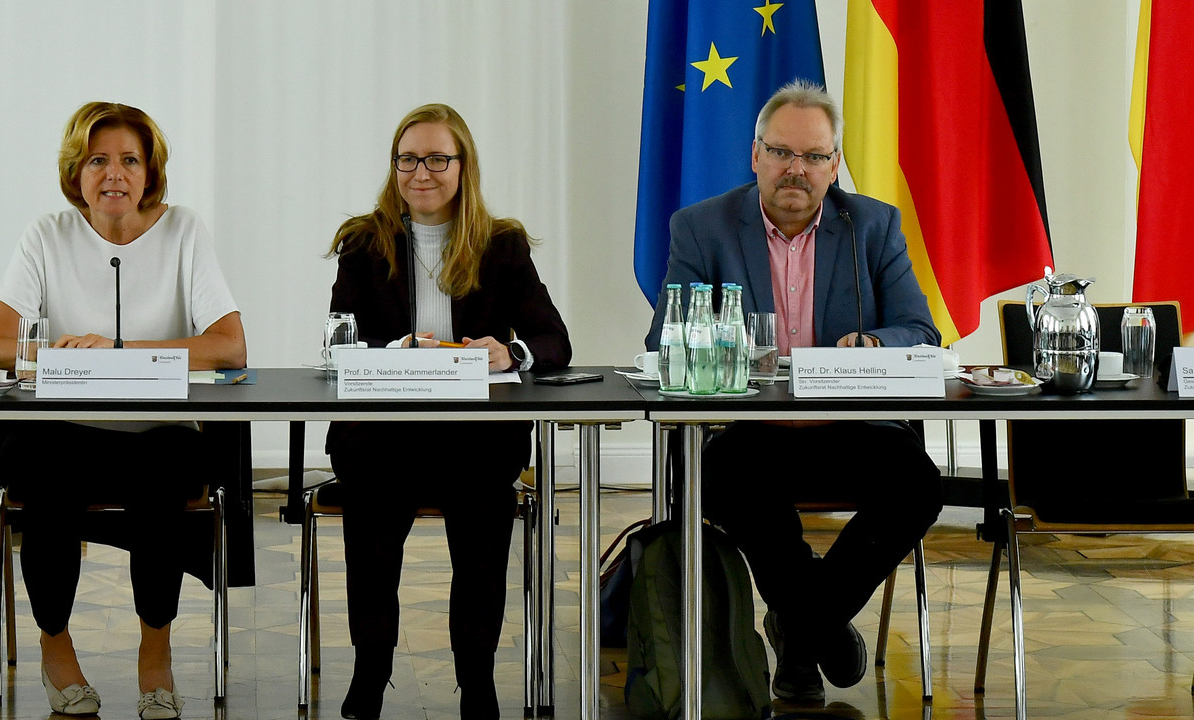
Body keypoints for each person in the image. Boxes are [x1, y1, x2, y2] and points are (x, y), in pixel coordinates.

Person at [645, 80, 943, 703]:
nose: (796, 171)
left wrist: (874, 346)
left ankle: (799, 628)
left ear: (834, 166)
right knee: (724, 477)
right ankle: (820, 629)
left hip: (849, 429)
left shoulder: (873, 225)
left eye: (813, 158)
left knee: (918, 484)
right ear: (755, 155)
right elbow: (665, 337)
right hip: (747, 434)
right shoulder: (701, 228)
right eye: (781, 153)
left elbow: (918, 330)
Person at [0, 101, 247, 719]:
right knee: (45, 470)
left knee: (163, 470)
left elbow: (229, 344)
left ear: (151, 173)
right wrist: (68, 356)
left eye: (130, 160)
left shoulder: (183, 229)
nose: (114, 174)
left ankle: (156, 653)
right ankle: (56, 647)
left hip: (159, 431)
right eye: (98, 160)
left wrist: (120, 350)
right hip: (66, 431)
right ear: (76, 173)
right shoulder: (46, 234)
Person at [324, 102, 572, 720]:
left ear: (464, 168)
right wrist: (396, 352)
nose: (421, 171)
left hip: (475, 439)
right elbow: (337, 344)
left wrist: (507, 351)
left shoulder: (501, 244)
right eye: (408, 159)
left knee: (482, 544)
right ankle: (370, 675)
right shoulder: (364, 241)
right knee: (373, 546)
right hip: (384, 435)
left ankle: (478, 684)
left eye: (437, 158)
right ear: (394, 168)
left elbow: (554, 342)